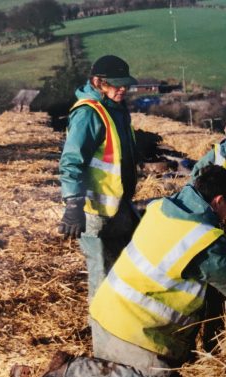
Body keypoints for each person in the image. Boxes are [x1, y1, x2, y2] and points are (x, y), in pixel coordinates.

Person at [29, 165, 226, 377]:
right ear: (218, 201)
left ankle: (38, 373)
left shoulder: (161, 207)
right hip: (134, 334)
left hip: (104, 316)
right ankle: (70, 373)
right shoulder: (205, 241)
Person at [57, 55, 141, 302]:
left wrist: (138, 145)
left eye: (125, 83)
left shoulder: (116, 109)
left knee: (127, 268)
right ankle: (102, 331)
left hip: (119, 205)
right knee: (102, 275)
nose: (123, 88)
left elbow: (111, 149)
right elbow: (71, 161)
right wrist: (73, 204)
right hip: (95, 211)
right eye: (117, 84)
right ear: (97, 82)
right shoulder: (88, 114)